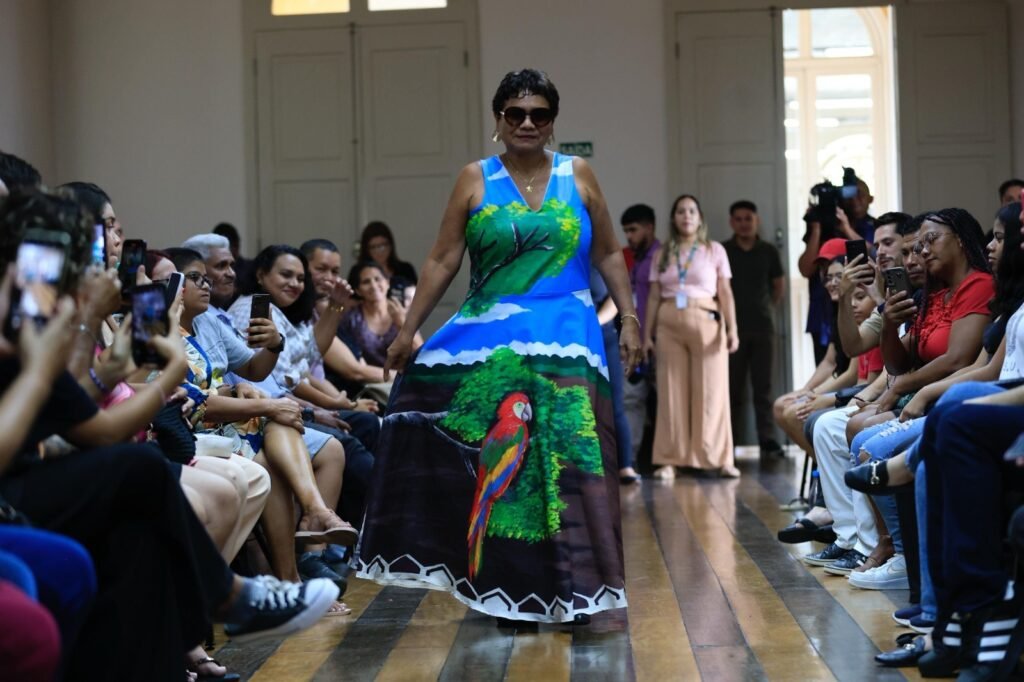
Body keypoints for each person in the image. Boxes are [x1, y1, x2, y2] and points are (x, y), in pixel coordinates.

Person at [357, 68, 642, 626]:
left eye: (539, 114)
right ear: (498, 119)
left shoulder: (579, 174)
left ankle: (577, 590)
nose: (527, 123)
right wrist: (407, 331)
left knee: (571, 469)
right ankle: (505, 590)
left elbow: (609, 252)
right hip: (492, 338)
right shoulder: (475, 178)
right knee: (509, 477)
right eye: (516, 113)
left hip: (570, 339)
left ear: (552, 121)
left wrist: (629, 317)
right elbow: (443, 258)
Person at [643, 194, 739, 479]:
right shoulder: (662, 253)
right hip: (669, 322)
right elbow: (653, 297)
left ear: (700, 218)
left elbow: (725, 292)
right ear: (673, 218)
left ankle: (720, 459)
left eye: (692, 211)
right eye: (681, 211)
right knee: (670, 392)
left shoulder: (714, 250)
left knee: (712, 390)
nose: (686, 216)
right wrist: (647, 335)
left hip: (706, 319)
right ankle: (670, 460)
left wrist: (733, 329)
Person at [722, 200, 785, 457]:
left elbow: (778, 285)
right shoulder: (723, 250)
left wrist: (767, 307)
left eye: (748, 218)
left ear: (756, 220)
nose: (744, 223)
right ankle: (728, 443)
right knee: (732, 389)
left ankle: (767, 440)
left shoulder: (768, 251)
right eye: (738, 219)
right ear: (731, 222)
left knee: (763, 389)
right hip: (731, 331)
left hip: (763, 328)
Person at [798, 174, 875, 362]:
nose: (854, 201)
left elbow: (874, 255)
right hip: (822, 308)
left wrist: (846, 228)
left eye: (860, 195)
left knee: (855, 361)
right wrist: (816, 228)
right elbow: (806, 269)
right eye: (851, 196)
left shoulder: (869, 225)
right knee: (827, 361)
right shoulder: (819, 225)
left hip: (855, 305)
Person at [619, 203, 659, 465]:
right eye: (626, 231)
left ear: (649, 227)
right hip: (635, 341)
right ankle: (631, 460)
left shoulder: (663, 257)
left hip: (659, 340)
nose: (629, 237)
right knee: (632, 399)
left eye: (633, 230)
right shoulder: (630, 259)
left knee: (665, 401)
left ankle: (666, 459)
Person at [340, 262, 424, 367]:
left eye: (377, 279)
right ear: (358, 290)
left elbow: (421, 352)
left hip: (404, 375)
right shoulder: (351, 318)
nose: (373, 285)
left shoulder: (402, 312)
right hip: (367, 376)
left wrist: (401, 322)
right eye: (366, 282)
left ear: (387, 283)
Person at [348, 221, 418, 288]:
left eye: (382, 246)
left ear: (390, 245)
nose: (379, 252)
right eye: (373, 247)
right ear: (366, 249)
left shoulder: (405, 269)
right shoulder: (357, 273)